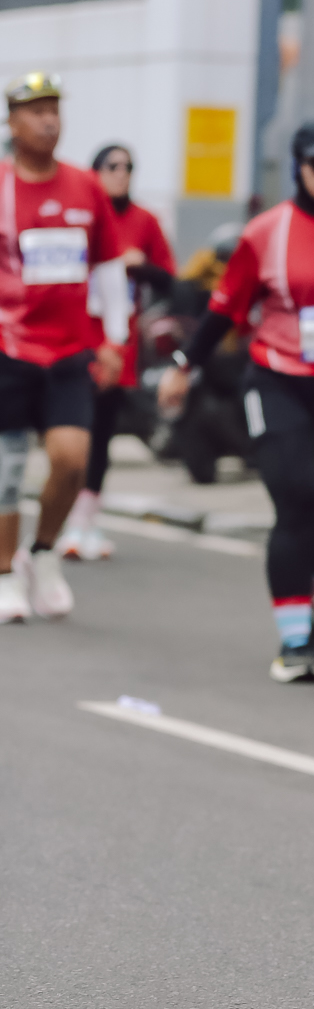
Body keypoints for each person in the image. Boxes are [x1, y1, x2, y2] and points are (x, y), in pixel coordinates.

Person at [158, 119, 314, 682]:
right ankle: (296, 638)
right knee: (298, 497)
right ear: (299, 168)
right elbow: (223, 310)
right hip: (280, 383)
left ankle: (300, 592)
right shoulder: (266, 233)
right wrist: (184, 366)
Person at [0, 73, 128, 623]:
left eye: (53, 109)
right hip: (8, 349)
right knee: (7, 472)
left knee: (72, 461)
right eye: (35, 111)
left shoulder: (85, 187)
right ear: (12, 122)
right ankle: (5, 575)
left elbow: (109, 266)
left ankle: (43, 551)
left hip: (70, 352)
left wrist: (116, 338)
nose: (48, 120)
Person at [60, 143, 176, 561]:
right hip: (72, 338)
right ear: (94, 172)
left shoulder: (144, 220)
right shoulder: (75, 215)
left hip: (116, 342)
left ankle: (83, 521)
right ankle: (66, 516)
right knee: (70, 433)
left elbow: (168, 279)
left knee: (102, 430)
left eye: (128, 166)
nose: (121, 173)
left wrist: (137, 265)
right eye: (112, 166)